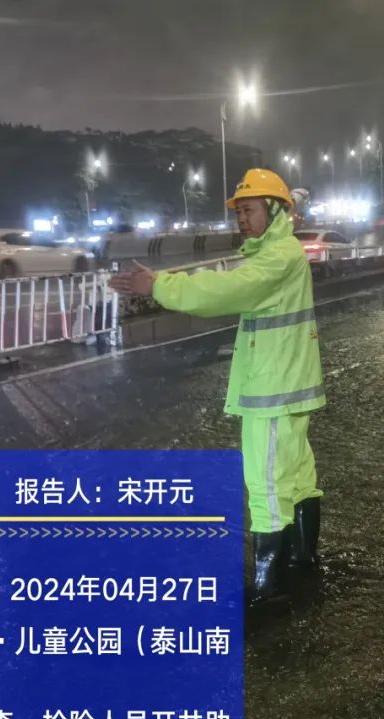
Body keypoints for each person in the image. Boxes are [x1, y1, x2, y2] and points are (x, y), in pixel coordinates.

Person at [108, 168, 325, 603]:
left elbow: (224, 289)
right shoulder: (282, 252)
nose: (241, 219)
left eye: (250, 210)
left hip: (272, 392)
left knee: (266, 484)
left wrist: (160, 285)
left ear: (275, 210)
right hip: (291, 386)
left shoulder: (278, 258)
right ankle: (302, 559)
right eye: (238, 212)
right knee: (297, 476)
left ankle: (268, 587)